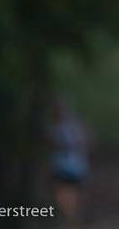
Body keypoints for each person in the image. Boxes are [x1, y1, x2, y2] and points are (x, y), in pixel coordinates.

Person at [47, 95, 90, 225]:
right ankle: (72, 220)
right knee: (70, 196)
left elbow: (85, 142)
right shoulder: (73, 126)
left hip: (68, 166)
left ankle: (71, 220)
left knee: (66, 195)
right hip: (73, 166)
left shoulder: (59, 128)